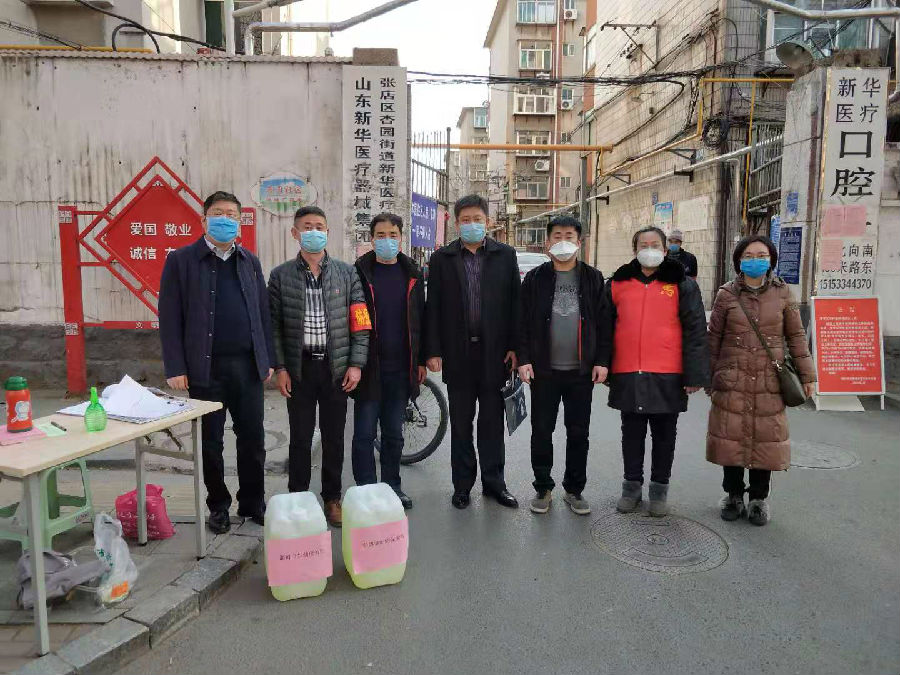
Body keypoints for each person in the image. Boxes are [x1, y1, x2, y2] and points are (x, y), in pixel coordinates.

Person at [159, 191, 275, 534]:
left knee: (252, 438)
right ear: (204, 219)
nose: (226, 219)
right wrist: (176, 367)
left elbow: (263, 314)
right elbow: (169, 317)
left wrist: (267, 358)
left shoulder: (249, 261)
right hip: (205, 369)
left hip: (248, 367)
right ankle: (218, 506)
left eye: (232, 215)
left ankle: (252, 501)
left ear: (240, 222)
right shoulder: (181, 261)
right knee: (211, 443)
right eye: (218, 213)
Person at [268, 206, 371, 528]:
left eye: (319, 226)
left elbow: (360, 322)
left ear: (327, 232)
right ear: (295, 233)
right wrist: (280, 367)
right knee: (300, 438)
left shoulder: (347, 273)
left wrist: (356, 364)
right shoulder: (281, 276)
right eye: (307, 226)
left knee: (333, 438)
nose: (314, 232)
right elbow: (274, 327)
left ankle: (332, 498)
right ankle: (297, 498)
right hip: (299, 370)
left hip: (334, 368)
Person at [599, 226, 709, 517]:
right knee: (631, 434)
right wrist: (604, 364)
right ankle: (631, 488)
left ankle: (659, 490)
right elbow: (604, 329)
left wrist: (694, 375)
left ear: (665, 248)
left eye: (655, 244)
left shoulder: (682, 284)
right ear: (635, 250)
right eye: (643, 245)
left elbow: (696, 331)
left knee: (664, 435)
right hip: (628, 370)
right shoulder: (618, 283)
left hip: (668, 373)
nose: (649, 249)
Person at [706, 235, 816, 526]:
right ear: (739, 261)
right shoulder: (726, 294)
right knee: (731, 438)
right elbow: (713, 339)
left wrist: (808, 375)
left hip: (770, 378)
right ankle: (732, 495)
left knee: (765, 439)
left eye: (762, 255)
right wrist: (708, 376)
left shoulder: (783, 294)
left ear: (771, 260)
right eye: (749, 256)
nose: (755, 261)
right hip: (732, 376)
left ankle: (758, 499)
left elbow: (796, 336)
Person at [424, 194, 520, 510]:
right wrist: (433, 350)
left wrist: (515, 348)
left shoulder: (505, 256)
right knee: (462, 425)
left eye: (477, 219)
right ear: (456, 223)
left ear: (487, 221)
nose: (472, 224)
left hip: (495, 355)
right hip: (458, 355)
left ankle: (494, 484)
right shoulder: (442, 259)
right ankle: (462, 486)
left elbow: (515, 304)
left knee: (492, 425)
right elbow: (433, 308)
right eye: (465, 220)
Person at [518, 216, 607, 516]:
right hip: (544, 370)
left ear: (579, 242)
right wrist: (524, 359)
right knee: (542, 431)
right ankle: (543, 487)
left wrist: (602, 361)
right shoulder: (535, 279)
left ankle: (574, 489)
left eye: (569, 236)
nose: (563, 241)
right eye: (557, 236)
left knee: (578, 432)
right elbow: (522, 323)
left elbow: (604, 324)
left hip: (581, 372)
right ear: (548, 242)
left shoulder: (593, 278)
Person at [352, 213, 426, 510]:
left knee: (394, 434)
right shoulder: (360, 272)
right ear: (372, 239)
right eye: (380, 235)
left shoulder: (412, 273)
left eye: (392, 234)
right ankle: (366, 491)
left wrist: (420, 360)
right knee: (364, 434)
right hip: (369, 368)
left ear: (401, 237)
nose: (387, 240)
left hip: (400, 369)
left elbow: (420, 320)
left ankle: (392, 487)